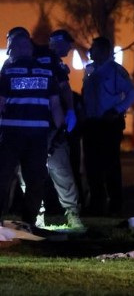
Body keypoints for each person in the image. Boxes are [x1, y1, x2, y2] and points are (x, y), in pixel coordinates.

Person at [7, 27, 84, 229]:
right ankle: (37, 216)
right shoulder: (12, 65)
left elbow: (62, 88)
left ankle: (72, 213)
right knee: (31, 174)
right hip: (34, 129)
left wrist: (68, 113)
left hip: (47, 127)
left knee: (60, 170)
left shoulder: (47, 60)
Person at [0, 32, 64, 226]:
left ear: (16, 49)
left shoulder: (7, 72)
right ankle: (29, 223)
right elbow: (55, 105)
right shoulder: (46, 72)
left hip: (11, 134)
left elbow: (0, 103)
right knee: (35, 180)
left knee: (3, 178)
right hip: (38, 136)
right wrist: (60, 130)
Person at [81, 36, 134, 216]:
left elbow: (132, 93)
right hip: (91, 124)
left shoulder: (115, 71)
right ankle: (96, 203)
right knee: (91, 165)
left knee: (110, 165)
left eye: (94, 48)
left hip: (109, 124)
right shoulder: (90, 70)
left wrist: (117, 110)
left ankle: (115, 203)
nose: (90, 51)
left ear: (104, 51)